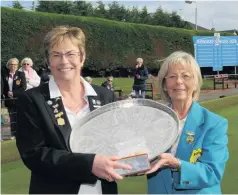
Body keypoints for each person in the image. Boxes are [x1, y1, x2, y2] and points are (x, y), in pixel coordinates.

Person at [16, 26, 131, 194]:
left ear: (82, 57)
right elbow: (34, 154)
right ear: (48, 61)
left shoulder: (106, 97)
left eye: (70, 54)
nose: (64, 61)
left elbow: (117, 142)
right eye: (56, 55)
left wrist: (136, 155)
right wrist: (89, 164)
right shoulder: (32, 99)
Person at [146, 51, 229, 194]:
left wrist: (178, 165)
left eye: (186, 76)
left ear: (195, 83)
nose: (179, 81)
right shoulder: (152, 121)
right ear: (165, 84)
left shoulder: (214, 124)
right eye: (172, 76)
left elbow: (212, 172)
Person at [2, 58, 26, 139]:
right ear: (8, 66)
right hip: (9, 100)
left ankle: (21, 132)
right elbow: (3, 87)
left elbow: (23, 87)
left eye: (15, 64)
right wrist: (5, 94)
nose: (13, 66)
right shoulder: (5, 75)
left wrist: (14, 93)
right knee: (12, 117)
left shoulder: (21, 74)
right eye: (11, 64)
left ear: (17, 65)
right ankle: (13, 133)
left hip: (18, 99)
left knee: (19, 116)